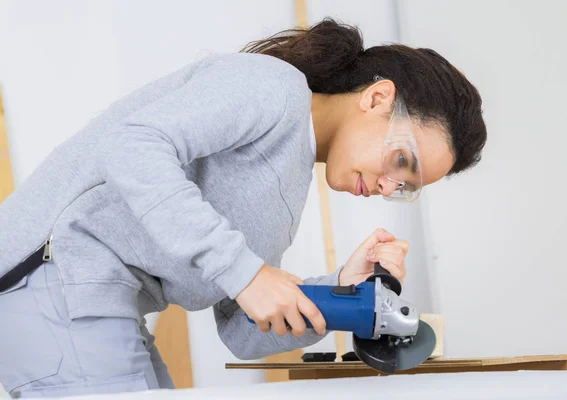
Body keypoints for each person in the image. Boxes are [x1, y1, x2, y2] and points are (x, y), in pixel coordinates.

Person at [0, 18, 486, 397]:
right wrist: (248, 273)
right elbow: (131, 145)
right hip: (53, 275)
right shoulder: (273, 88)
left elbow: (240, 328)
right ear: (378, 97)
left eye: (406, 185)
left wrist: (342, 290)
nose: (387, 186)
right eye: (402, 160)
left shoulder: (288, 186)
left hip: (99, 298)